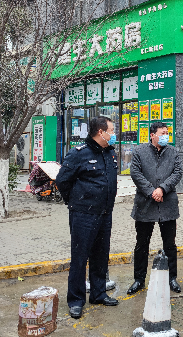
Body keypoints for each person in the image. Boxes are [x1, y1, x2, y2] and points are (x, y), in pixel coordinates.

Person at [55, 116, 119, 319]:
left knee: (101, 256)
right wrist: (75, 202)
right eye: (111, 130)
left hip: (104, 213)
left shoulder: (110, 152)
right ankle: (75, 300)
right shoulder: (78, 154)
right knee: (80, 258)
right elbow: (62, 181)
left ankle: (98, 294)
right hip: (83, 215)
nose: (114, 134)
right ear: (101, 132)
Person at [127, 121, 183, 295]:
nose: (166, 136)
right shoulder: (139, 151)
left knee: (170, 245)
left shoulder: (173, 152)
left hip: (167, 203)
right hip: (145, 204)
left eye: (167, 133)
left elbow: (177, 173)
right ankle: (139, 279)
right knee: (142, 244)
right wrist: (152, 191)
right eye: (162, 133)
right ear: (152, 135)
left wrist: (162, 189)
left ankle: (172, 278)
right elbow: (135, 173)